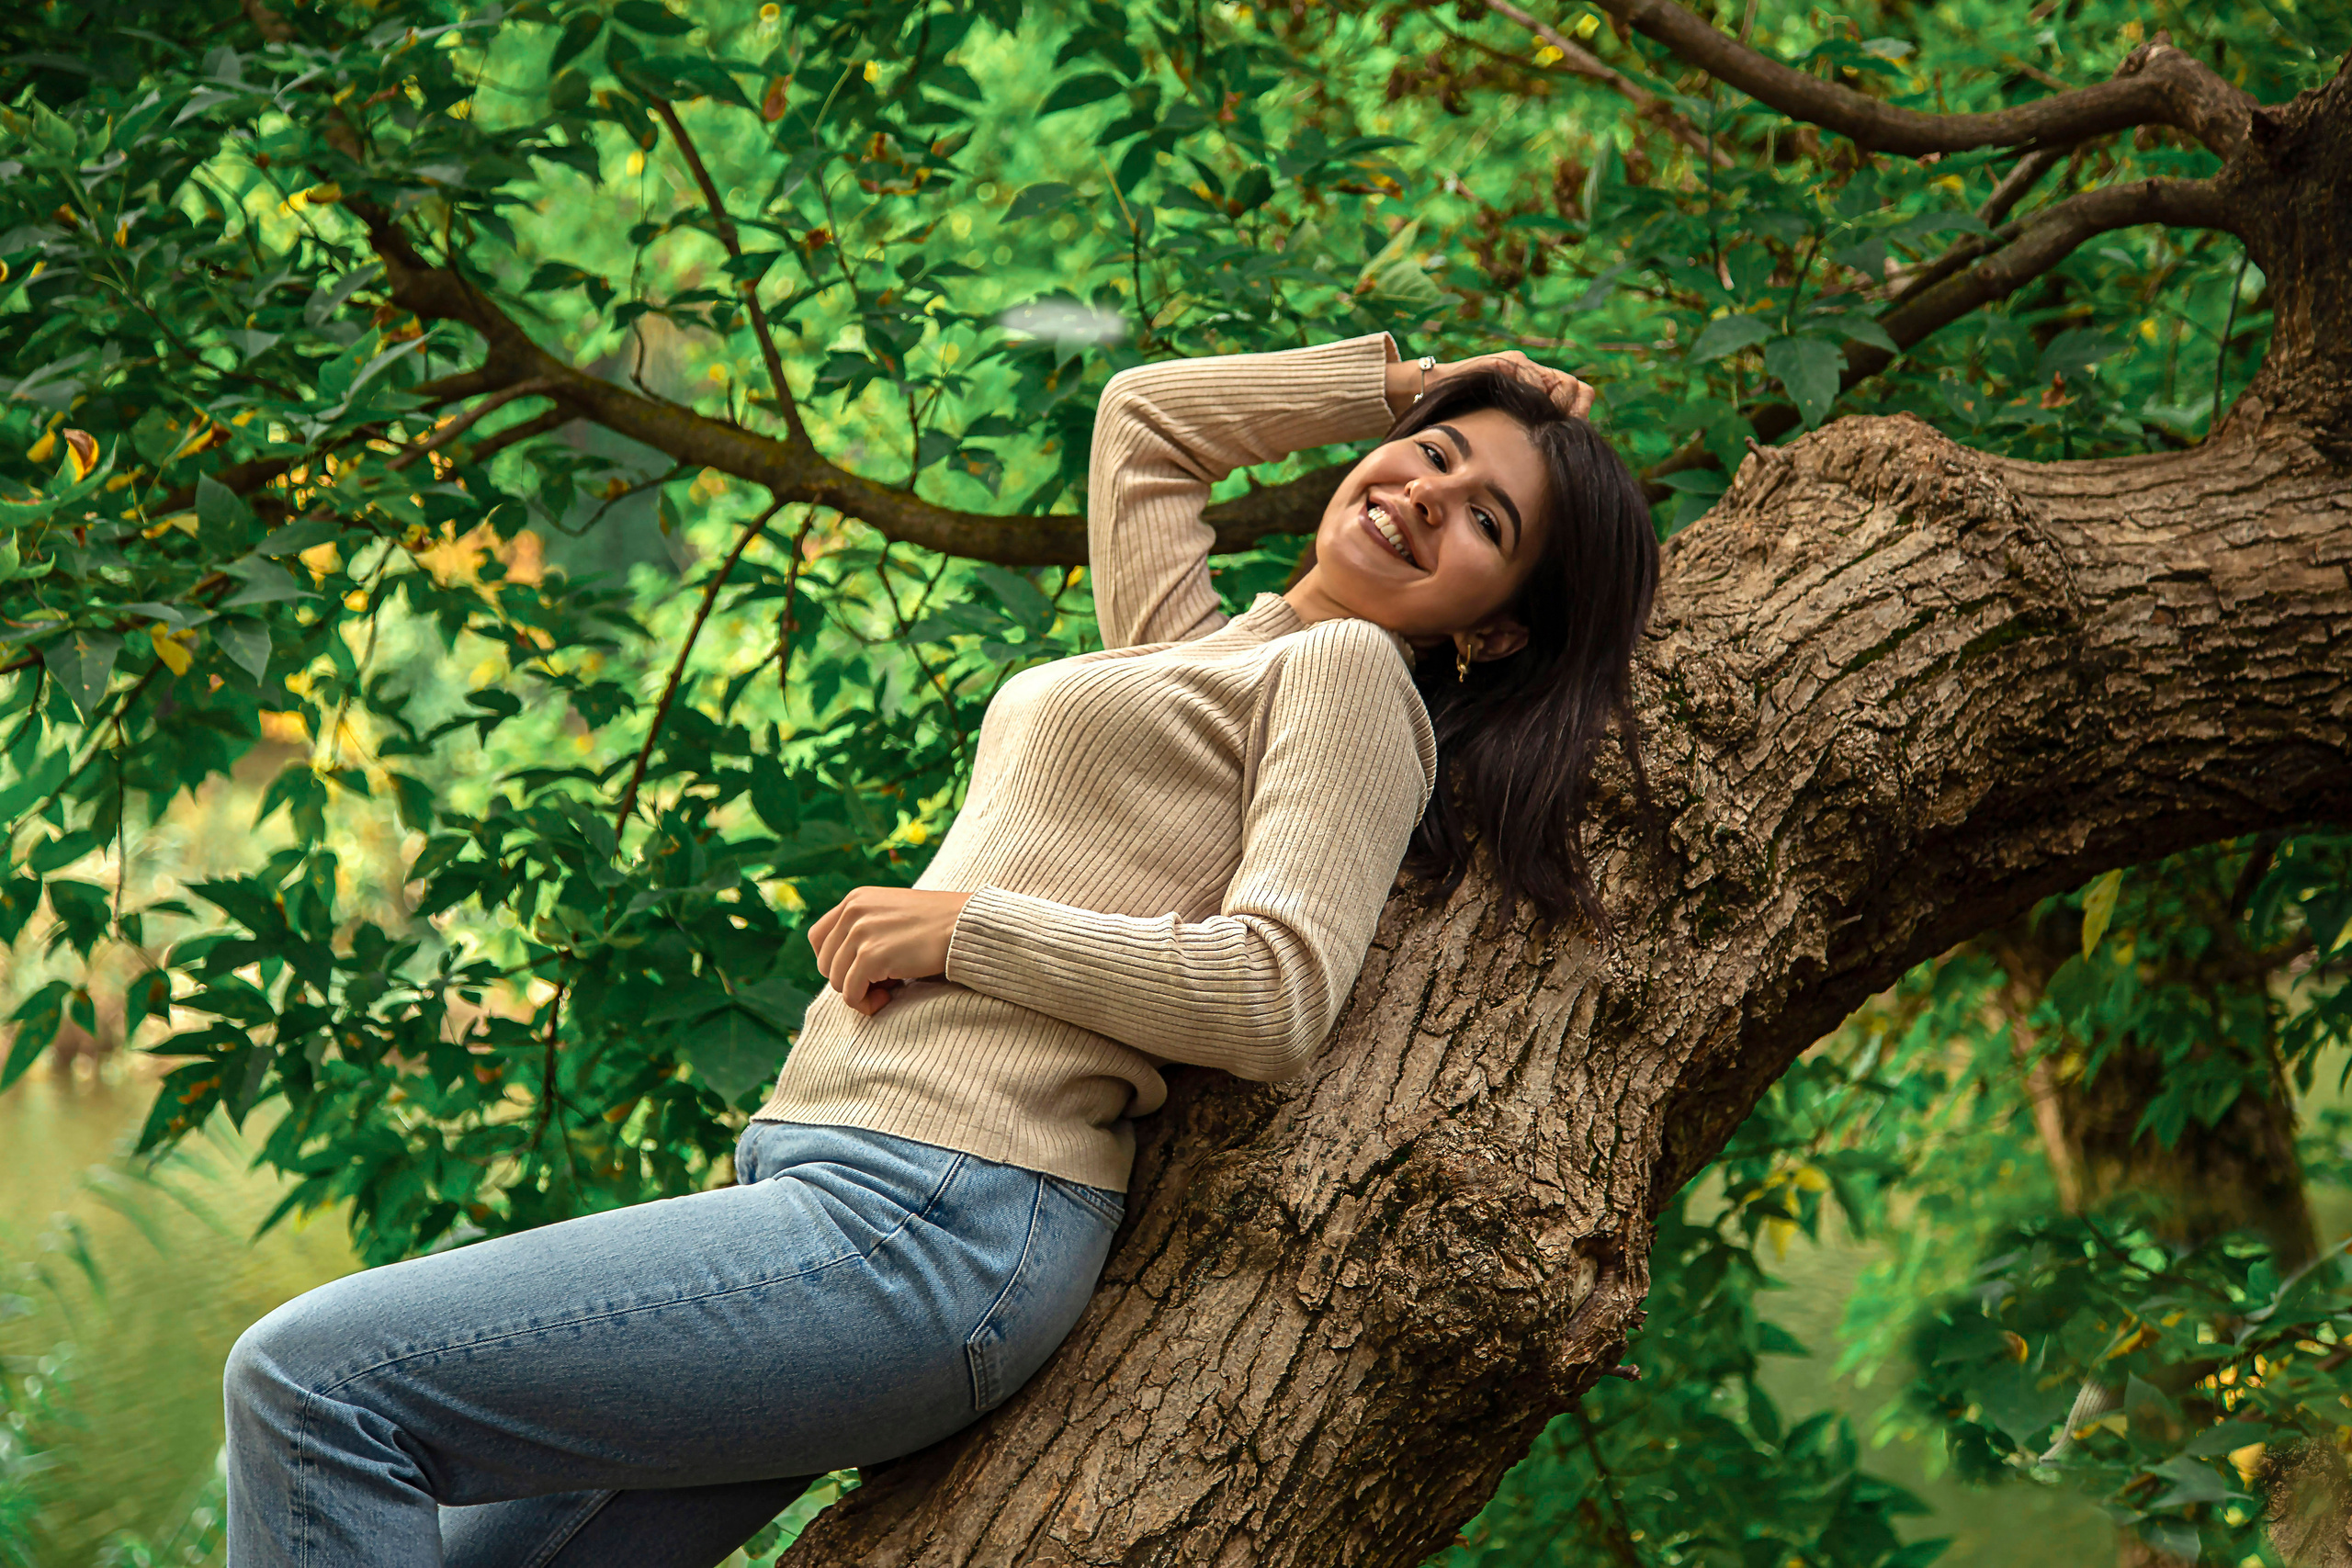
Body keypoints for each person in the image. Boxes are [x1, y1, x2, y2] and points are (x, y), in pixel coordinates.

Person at [220, 333, 1657, 1567]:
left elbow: (1274, 991)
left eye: (1487, 520)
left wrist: (966, 931)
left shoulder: (1344, 677)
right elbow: (1147, 425)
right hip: (835, 1194)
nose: (1427, 493)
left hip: (932, 1222)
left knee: (312, 1389)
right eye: (1433, 455)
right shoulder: (1202, 650)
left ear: (1499, 632)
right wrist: (1410, 380)